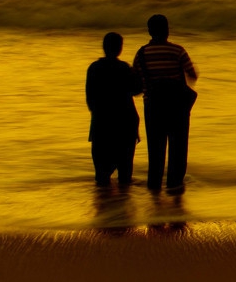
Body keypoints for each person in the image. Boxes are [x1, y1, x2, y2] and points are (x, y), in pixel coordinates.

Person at [133, 14, 198, 192]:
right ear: (167, 30)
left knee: (155, 150)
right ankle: (175, 188)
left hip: (153, 107)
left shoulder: (141, 54)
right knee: (178, 149)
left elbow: (136, 85)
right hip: (178, 107)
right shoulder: (178, 51)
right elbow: (192, 75)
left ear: (149, 32)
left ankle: (154, 190)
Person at [85, 31, 143, 188]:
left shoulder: (94, 69)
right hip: (125, 125)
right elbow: (137, 89)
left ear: (104, 47)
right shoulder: (124, 69)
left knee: (102, 177)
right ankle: (122, 207)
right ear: (120, 49)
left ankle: (106, 207)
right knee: (125, 176)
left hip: (101, 125)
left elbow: (90, 100)